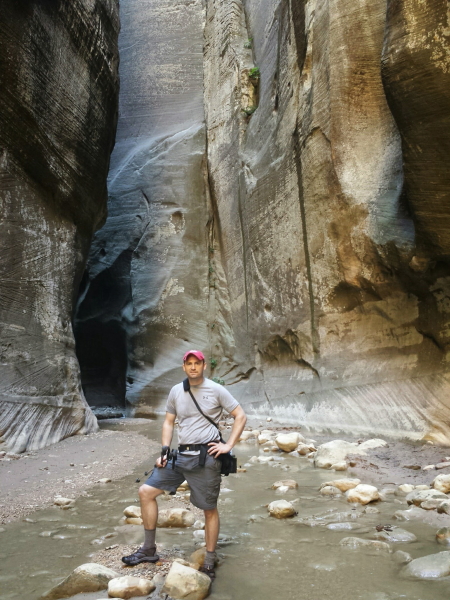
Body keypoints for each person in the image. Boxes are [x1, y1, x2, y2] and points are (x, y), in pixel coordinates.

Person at [122, 350, 247, 580]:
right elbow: (169, 422)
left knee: (209, 509)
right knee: (146, 491)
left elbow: (240, 415)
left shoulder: (216, 390)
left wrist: (228, 445)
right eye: (188, 363)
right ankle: (148, 550)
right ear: (183, 367)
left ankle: (209, 561)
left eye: (196, 363)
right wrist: (164, 451)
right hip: (180, 456)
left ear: (204, 366)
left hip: (206, 457)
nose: (192, 367)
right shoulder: (176, 391)